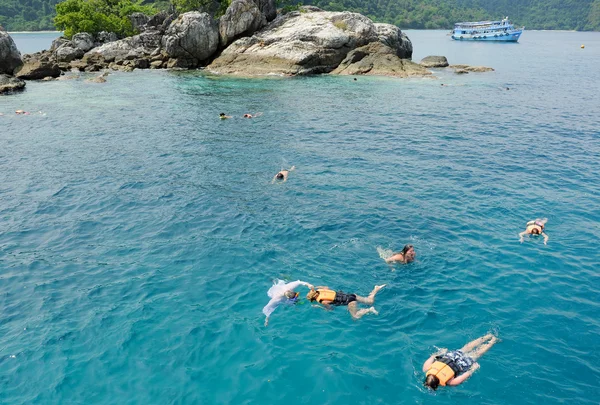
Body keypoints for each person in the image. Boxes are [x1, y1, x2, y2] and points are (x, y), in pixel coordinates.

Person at [423, 333, 498, 390]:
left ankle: (493, 341)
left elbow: (465, 375)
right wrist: (441, 352)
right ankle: (487, 336)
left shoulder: (450, 382)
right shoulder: (426, 368)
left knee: (477, 354)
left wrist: (474, 368)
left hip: (461, 364)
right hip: (451, 356)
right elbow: (432, 357)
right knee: (467, 347)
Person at [306, 284, 386, 320]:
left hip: (350, 302)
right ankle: (376, 289)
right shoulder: (321, 290)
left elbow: (330, 309)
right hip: (351, 295)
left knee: (355, 317)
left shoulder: (322, 301)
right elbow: (326, 287)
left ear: (313, 298)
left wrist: (319, 306)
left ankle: (369, 310)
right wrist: (316, 287)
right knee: (370, 301)